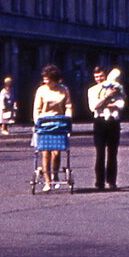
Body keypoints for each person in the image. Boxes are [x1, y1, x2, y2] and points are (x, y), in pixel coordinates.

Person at [33, 64, 73, 192]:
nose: (45, 80)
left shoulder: (63, 90)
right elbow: (37, 109)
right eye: (44, 78)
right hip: (44, 123)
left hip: (59, 123)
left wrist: (68, 121)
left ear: (54, 79)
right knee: (45, 153)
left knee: (56, 152)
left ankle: (55, 174)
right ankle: (47, 181)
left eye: (48, 78)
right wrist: (37, 122)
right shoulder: (41, 90)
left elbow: (68, 106)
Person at [88, 66, 126, 191]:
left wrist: (109, 104)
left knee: (113, 153)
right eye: (96, 77)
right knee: (100, 153)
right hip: (100, 121)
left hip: (113, 122)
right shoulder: (92, 90)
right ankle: (99, 182)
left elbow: (121, 104)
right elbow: (93, 106)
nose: (99, 79)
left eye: (101, 76)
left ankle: (111, 181)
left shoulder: (117, 87)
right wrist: (106, 97)